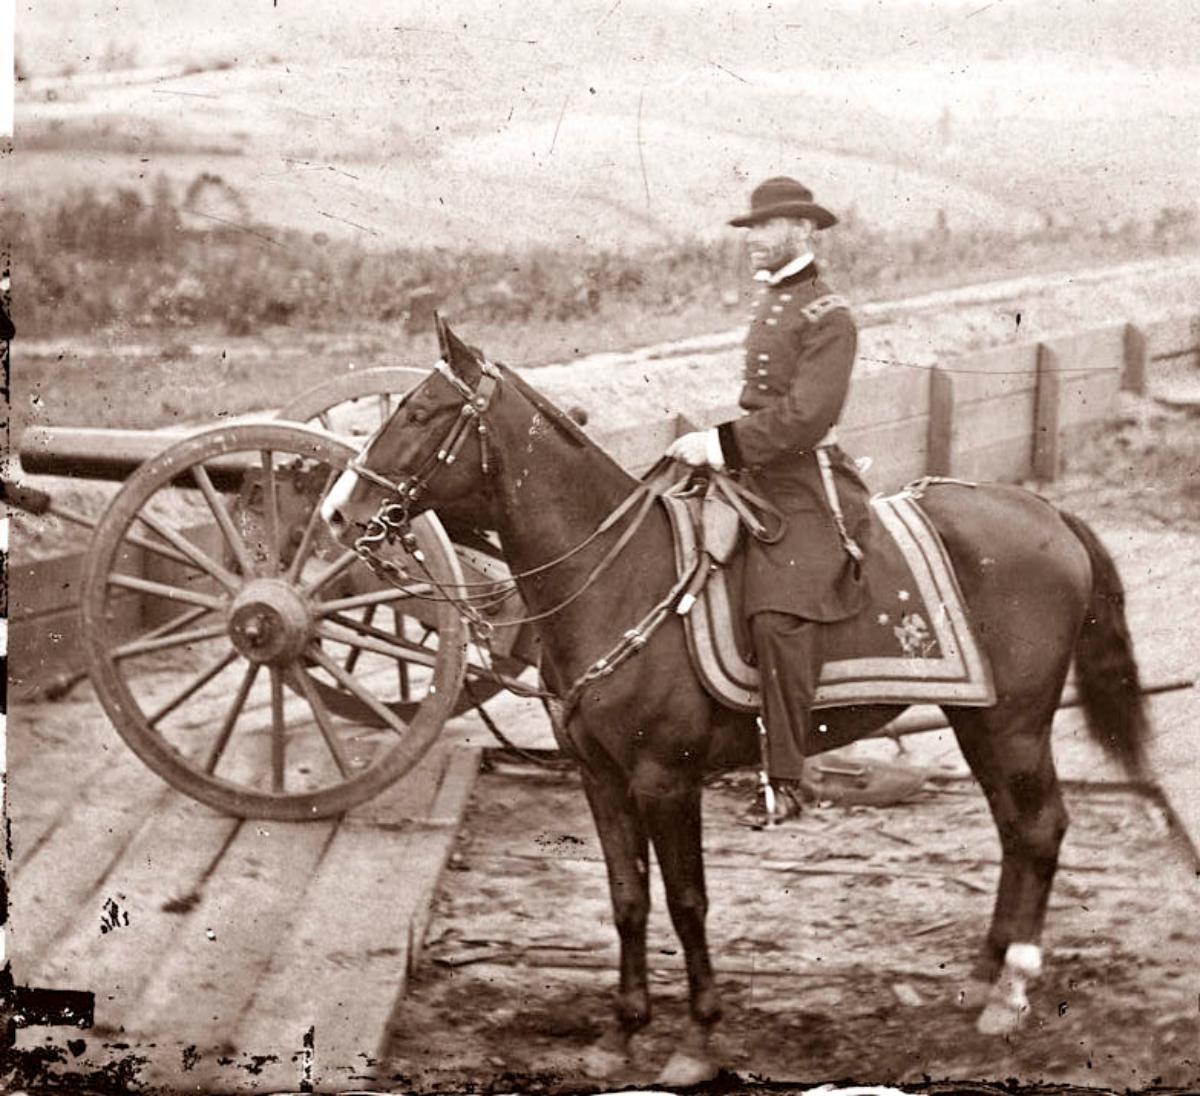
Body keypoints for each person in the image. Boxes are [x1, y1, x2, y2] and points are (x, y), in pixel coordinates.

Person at [665, 176, 872, 827]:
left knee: (780, 616)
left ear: (803, 230)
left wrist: (721, 444)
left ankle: (785, 777)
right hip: (756, 470)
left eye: (765, 228)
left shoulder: (828, 315)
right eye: (752, 229)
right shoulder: (775, 301)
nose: (753, 240)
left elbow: (806, 417)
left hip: (804, 481)